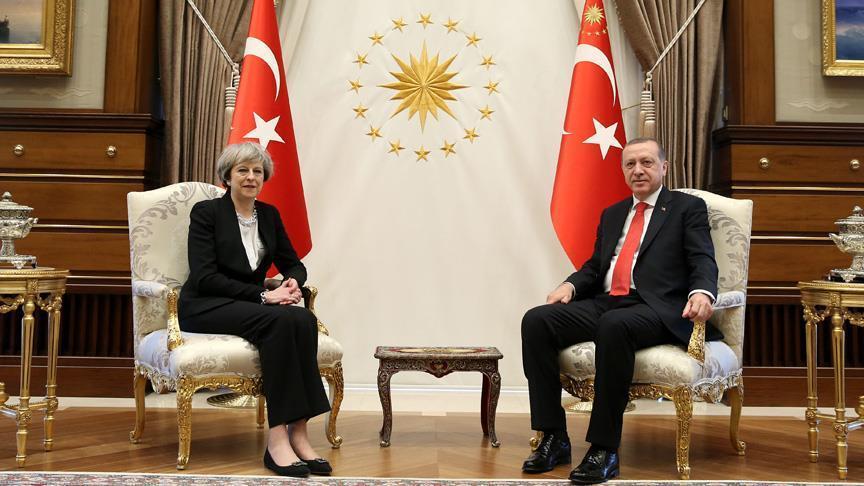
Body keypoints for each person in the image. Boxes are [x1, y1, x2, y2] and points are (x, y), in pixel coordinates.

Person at [520, 137, 720, 484]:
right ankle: (553, 436)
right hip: (607, 301)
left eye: (646, 162)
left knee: (614, 325)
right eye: (630, 164)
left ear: (663, 167)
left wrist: (702, 292)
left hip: (656, 307)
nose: (638, 170)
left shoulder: (687, 208)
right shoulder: (613, 213)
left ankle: (604, 448)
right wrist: (570, 285)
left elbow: (702, 257)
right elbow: (596, 267)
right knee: (537, 320)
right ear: (624, 170)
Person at [178, 142, 331, 478]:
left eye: (257, 171)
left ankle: (299, 433)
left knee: (303, 319)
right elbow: (205, 277)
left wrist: (291, 283)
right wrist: (265, 295)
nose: (251, 177)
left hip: (246, 303)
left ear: (264, 177)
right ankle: (276, 439)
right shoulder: (206, 213)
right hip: (204, 304)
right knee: (278, 322)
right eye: (242, 170)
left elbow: (294, 263)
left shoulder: (269, 215)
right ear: (227, 176)